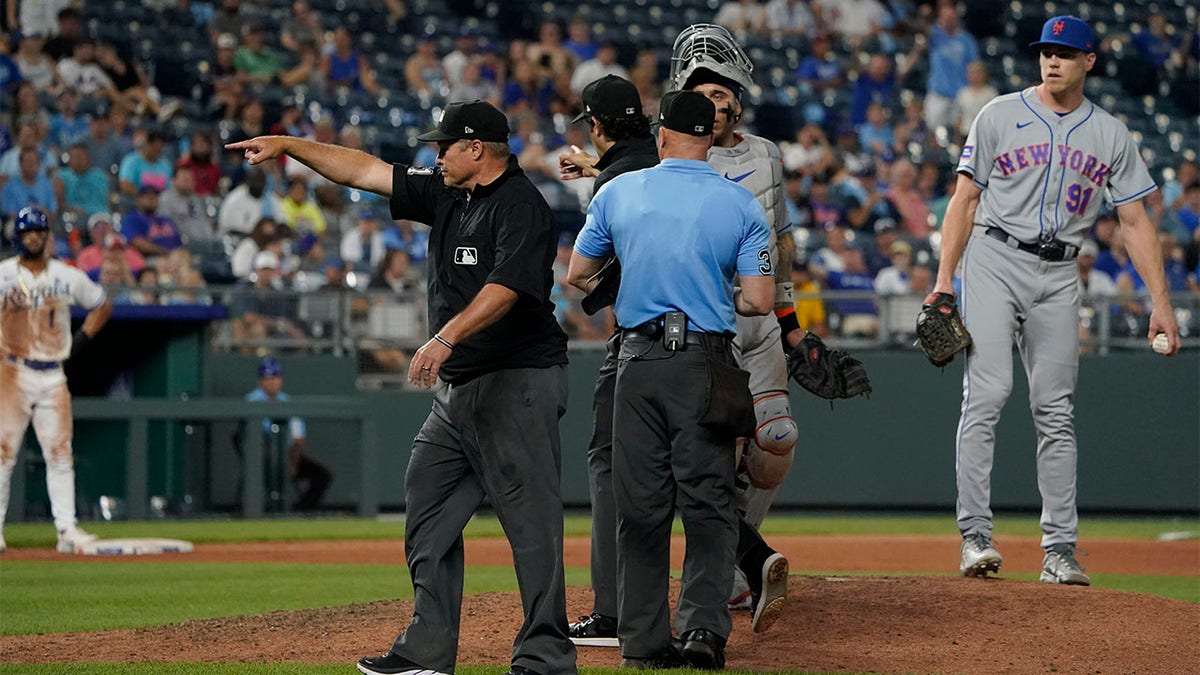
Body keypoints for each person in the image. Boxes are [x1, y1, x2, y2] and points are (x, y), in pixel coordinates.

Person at [227, 99, 578, 675]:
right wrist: (291, 146)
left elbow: (507, 288)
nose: (433, 154)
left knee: (531, 524)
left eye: (444, 146)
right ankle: (428, 649)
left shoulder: (522, 206)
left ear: (476, 149)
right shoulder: (447, 190)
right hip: (460, 387)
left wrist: (443, 338)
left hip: (519, 379)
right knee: (427, 502)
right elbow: (362, 170)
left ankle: (545, 656)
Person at [933, 16, 1181, 587]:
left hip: (1060, 271)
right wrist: (945, 279)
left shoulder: (1111, 133)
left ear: (1089, 61)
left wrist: (1160, 303)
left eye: (1066, 53)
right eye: (1047, 51)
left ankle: (1060, 549)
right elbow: (964, 199)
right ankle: (974, 536)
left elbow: (1135, 221)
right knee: (989, 391)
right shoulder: (999, 113)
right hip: (994, 258)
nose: (1052, 61)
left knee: (1055, 408)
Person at [567, 90, 774, 670]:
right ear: (710, 136)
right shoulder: (741, 205)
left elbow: (578, 275)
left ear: (661, 134)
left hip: (636, 361)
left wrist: (636, 272)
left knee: (639, 505)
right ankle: (704, 634)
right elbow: (758, 301)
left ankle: (642, 643)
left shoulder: (618, 191)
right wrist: (711, 288)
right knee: (708, 503)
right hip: (704, 363)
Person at [671, 23, 800, 612]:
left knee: (774, 443)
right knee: (713, 452)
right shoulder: (667, 155)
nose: (712, 101)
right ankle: (727, 573)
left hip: (762, 317)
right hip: (705, 319)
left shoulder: (767, 156)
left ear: (737, 100)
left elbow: (782, 243)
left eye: (721, 92)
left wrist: (794, 323)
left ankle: (732, 564)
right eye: (701, 92)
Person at [0, 208, 112, 554]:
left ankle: (67, 531)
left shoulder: (66, 274)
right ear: (17, 236)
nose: (33, 236)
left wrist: (79, 343)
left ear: (47, 235)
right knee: (3, 453)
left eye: (39, 231)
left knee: (60, 453)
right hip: (12, 371)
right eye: (27, 231)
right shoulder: (3, 274)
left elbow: (101, 304)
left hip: (52, 373)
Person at [244, 357, 333, 511]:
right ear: (261, 381)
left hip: (288, 454)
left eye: (276, 377)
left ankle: (301, 510)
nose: (272, 382)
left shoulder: (287, 401)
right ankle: (263, 510)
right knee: (269, 457)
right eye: (268, 378)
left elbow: (299, 438)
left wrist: (293, 461)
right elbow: (254, 437)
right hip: (263, 458)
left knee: (324, 474)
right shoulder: (252, 400)